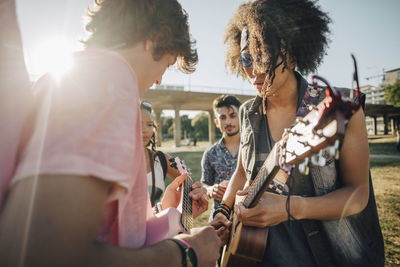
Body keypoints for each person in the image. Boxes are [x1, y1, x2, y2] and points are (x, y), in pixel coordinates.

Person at [0, 1, 221, 266]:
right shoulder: (110, 81)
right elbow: (44, 253)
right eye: (168, 62)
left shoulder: (65, 80)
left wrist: (164, 212)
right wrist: (185, 254)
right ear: (156, 39)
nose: (160, 80)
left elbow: (104, 231)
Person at [211, 0, 384, 266]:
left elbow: (358, 194)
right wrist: (224, 209)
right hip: (254, 253)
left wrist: (290, 208)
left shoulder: (340, 108)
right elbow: (244, 172)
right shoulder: (247, 112)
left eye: (262, 55)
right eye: (246, 57)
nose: (252, 69)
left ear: (290, 55)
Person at [201, 95, 241, 223]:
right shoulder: (210, 153)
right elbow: (204, 183)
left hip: (248, 219)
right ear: (217, 122)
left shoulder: (253, 149)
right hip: (218, 219)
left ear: (241, 118)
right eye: (223, 118)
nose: (228, 122)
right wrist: (210, 190)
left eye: (233, 116)